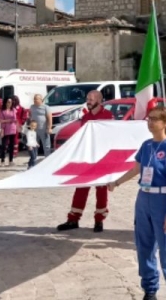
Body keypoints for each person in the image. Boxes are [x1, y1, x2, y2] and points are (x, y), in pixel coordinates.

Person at [108, 106, 166, 300]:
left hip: (162, 199)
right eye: (149, 119)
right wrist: (116, 182)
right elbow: (137, 169)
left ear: (165, 122)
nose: (150, 123)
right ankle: (150, 289)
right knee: (144, 247)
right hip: (144, 198)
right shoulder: (146, 145)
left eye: (154, 119)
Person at [57, 90, 114, 232]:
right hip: (87, 157)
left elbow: (111, 137)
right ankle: (73, 219)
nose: (88, 101)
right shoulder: (85, 117)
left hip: (101, 158)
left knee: (101, 190)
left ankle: (99, 221)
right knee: (81, 187)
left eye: (91, 99)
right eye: (87, 99)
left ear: (99, 100)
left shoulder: (108, 116)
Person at [0, 98, 18, 166]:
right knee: (3, 146)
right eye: (8, 102)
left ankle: (11, 160)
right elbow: (0, 120)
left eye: (10, 102)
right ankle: (2, 160)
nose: (9, 103)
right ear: (5, 102)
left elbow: (14, 119)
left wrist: (6, 120)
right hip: (4, 129)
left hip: (12, 128)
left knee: (11, 145)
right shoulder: (2, 111)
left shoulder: (13, 110)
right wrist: (9, 121)